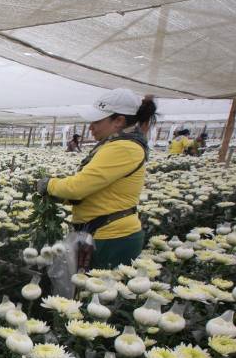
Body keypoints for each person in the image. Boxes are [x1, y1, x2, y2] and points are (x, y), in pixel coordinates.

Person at [37, 88, 157, 270]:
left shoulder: (124, 148)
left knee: (95, 294)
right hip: (101, 232)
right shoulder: (116, 144)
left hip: (112, 237)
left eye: (97, 121)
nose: (91, 127)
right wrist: (64, 196)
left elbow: (78, 187)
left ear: (119, 121)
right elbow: (94, 188)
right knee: (86, 292)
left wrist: (49, 184)